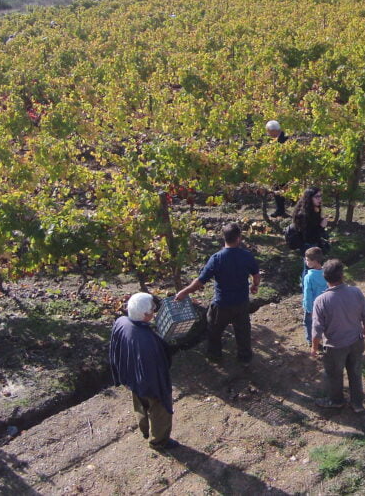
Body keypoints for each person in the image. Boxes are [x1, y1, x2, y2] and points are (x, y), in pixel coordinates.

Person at [175, 223, 260, 364]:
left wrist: (184, 291)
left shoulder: (217, 258)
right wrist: (254, 286)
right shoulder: (246, 256)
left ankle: (215, 356)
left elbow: (200, 281)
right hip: (241, 303)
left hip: (222, 304)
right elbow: (256, 275)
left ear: (224, 238)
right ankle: (244, 358)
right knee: (243, 332)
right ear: (239, 238)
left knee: (214, 330)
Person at [109, 292, 177, 451]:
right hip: (150, 383)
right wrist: (162, 392)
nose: (154, 312)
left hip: (131, 376)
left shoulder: (121, 322)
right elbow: (160, 367)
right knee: (159, 412)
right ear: (146, 315)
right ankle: (159, 442)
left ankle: (144, 430)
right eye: (153, 310)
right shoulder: (148, 341)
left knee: (140, 405)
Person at [311, 259, 365, 413]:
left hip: (335, 347)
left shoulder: (321, 300)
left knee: (334, 374)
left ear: (325, 277)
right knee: (355, 372)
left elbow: (317, 327)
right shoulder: (355, 291)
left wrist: (313, 347)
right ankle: (357, 403)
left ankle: (336, 401)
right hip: (357, 341)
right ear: (342, 275)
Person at [301, 247, 328, 347]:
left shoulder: (309, 277)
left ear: (315, 261)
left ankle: (311, 341)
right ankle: (326, 341)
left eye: (307, 260)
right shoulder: (326, 273)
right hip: (324, 305)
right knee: (324, 323)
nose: (305, 261)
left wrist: (309, 309)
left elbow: (307, 294)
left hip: (312, 306)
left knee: (309, 323)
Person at [292, 187, 330, 254]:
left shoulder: (314, 209)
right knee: (311, 264)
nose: (320, 199)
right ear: (309, 198)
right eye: (317, 197)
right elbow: (309, 237)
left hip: (314, 243)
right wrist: (321, 226)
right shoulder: (303, 214)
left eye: (320, 196)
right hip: (308, 246)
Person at [265, 120, 289, 218]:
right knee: (276, 190)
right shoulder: (274, 139)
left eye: (269, 132)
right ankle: (280, 210)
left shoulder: (285, 139)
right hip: (276, 169)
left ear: (275, 130)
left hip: (285, 170)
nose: (268, 134)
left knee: (286, 191)